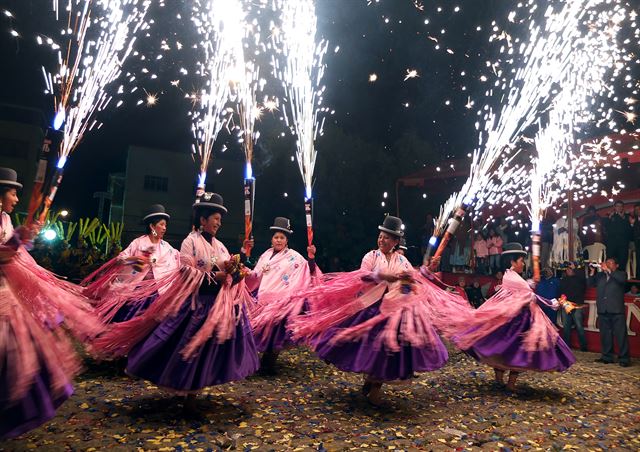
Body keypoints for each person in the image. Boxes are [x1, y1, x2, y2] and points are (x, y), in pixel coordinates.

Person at [91, 192, 259, 412]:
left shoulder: (218, 246)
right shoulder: (188, 242)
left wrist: (239, 264)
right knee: (186, 348)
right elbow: (185, 271)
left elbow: (228, 269)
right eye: (215, 218)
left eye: (219, 219)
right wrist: (141, 265)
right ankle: (184, 390)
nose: (219, 223)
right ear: (203, 220)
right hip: (192, 304)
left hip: (212, 305)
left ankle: (194, 392)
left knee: (207, 351)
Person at [291, 215, 452, 405]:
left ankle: (374, 385)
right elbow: (363, 276)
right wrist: (381, 275)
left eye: (387, 237)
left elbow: (412, 280)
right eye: (380, 236)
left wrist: (427, 271)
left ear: (395, 241)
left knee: (386, 352)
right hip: (370, 308)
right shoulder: (371, 256)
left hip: (392, 312)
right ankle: (371, 382)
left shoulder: (402, 260)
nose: (382, 240)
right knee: (370, 349)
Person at [0, 167, 102, 438]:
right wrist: (16, 242)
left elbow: (15, 255)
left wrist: (22, 239)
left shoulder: (6, 219)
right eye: (12, 192)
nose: (16, 199)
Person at [446, 243, 575, 392]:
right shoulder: (513, 278)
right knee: (518, 350)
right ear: (512, 262)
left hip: (513, 320)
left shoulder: (510, 276)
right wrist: (553, 302)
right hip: (518, 322)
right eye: (521, 260)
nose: (523, 263)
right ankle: (510, 383)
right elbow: (529, 296)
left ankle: (500, 380)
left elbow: (523, 289)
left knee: (504, 348)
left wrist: (532, 282)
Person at [245, 217, 318, 374]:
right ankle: (262, 361)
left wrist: (311, 258)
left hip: (281, 302)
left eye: (282, 237)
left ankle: (269, 363)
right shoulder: (265, 255)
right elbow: (255, 274)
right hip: (263, 299)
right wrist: (244, 266)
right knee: (260, 332)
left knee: (275, 334)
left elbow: (308, 270)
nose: (278, 240)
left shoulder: (294, 257)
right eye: (276, 237)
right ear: (272, 239)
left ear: (287, 240)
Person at [82, 204, 180, 322]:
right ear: (152, 226)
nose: (164, 228)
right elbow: (121, 258)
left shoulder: (167, 248)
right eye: (161, 224)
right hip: (136, 289)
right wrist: (137, 259)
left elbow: (178, 262)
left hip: (156, 292)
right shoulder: (138, 243)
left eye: (165, 225)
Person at [588, 257, 630, 367]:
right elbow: (590, 284)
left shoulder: (621, 274)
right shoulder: (600, 276)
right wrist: (592, 271)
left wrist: (609, 271)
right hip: (603, 309)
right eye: (606, 263)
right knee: (605, 335)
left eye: (610, 263)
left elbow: (622, 281)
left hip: (616, 310)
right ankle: (607, 357)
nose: (608, 265)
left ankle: (624, 358)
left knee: (621, 335)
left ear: (616, 265)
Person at [559, 262, 587, 351]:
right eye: (567, 269)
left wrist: (575, 268)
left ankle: (583, 347)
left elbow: (582, 277)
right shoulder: (564, 279)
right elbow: (560, 292)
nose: (568, 270)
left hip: (577, 305)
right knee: (566, 327)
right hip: (566, 305)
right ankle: (566, 346)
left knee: (579, 326)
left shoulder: (579, 279)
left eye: (570, 269)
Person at [604, 201, 632, 271]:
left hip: (623, 243)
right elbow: (606, 228)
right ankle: (608, 277)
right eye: (617, 206)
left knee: (622, 261)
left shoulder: (627, 217)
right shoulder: (611, 216)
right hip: (612, 243)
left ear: (623, 207)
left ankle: (621, 277)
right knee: (610, 260)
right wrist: (609, 218)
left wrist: (630, 222)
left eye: (621, 206)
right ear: (614, 207)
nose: (619, 207)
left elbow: (630, 230)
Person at [631, 203, 640, 280]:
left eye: (639, 209)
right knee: (638, 259)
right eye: (636, 210)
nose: (637, 211)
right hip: (637, 243)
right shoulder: (634, 220)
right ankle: (638, 277)